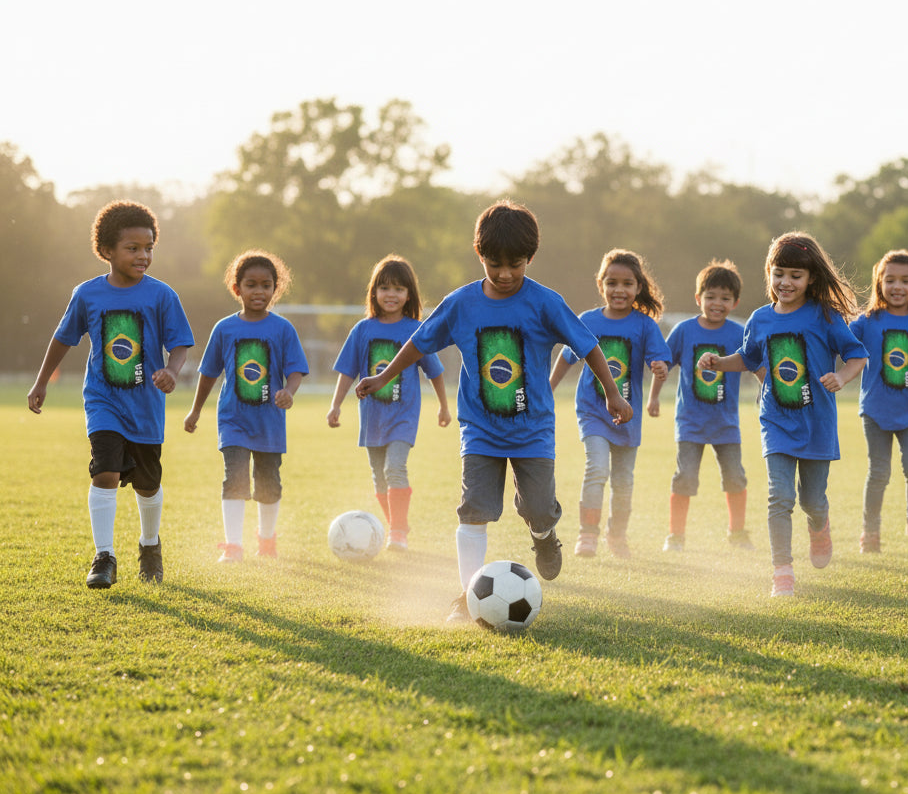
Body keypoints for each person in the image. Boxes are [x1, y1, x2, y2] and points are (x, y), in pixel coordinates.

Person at [355, 200, 632, 623]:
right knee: (474, 509)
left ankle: (544, 535)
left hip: (532, 429)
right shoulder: (461, 303)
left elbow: (588, 344)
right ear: (479, 254)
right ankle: (467, 598)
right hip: (480, 429)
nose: (504, 273)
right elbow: (419, 341)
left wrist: (613, 394)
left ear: (530, 258)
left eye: (515, 264)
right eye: (494, 263)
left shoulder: (545, 303)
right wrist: (385, 376)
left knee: (538, 508)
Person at [27, 200, 194, 588]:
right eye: (132, 248)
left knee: (147, 484)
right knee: (104, 471)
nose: (143, 255)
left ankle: (149, 545)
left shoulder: (162, 295)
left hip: (146, 407)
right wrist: (40, 382)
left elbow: (181, 344)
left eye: (149, 247)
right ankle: (104, 557)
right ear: (106, 251)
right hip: (103, 400)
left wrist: (172, 370)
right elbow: (62, 339)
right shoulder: (87, 294)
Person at [699, 232, 867, 597]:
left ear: (810, 279)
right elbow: (748, 358)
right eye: (779, 274)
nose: (785, 282)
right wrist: (717, 362)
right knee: (780, 497)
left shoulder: (824, 315)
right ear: (769, 274)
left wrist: (840, 376)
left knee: (811, 501)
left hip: (817, 423)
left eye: (795, 275)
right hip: (775, 419)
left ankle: (819, 526)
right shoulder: (760, 319)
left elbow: (857, 355)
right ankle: (782, 572)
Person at [184, 250, 309, 563]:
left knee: (269, 483)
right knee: (235, 477)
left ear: (274, 289)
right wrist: (196, 410)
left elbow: (295, 369)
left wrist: (289, 392)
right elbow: (209, 372)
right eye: (251, 284)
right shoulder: (224, 329)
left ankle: (266, 539)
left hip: (269, 422)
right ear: (237, 288)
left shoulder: (283, 329)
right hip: (233, 419)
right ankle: (233, 546)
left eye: (266, 285)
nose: (259, 291)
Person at [550, 248, 670, 559]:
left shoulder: (644, 325)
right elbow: (566, 358)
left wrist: (659, 368)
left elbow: (660, 359)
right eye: (612, 282)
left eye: (627, 283)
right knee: (597, 468)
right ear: (600, 284)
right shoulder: (587, 321)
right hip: (592, 410)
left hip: (627, 416)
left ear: (638, 287)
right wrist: (547, 391)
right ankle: (587, 535)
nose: (619, 290)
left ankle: (616, 536)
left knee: (624, 482)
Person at [327, 255, 452, 551]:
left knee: (394, 469)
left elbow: (434, 371)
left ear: (409, 294)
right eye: (384, 288)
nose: (391, 294)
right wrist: (336, 405)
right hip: (372, 417)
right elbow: (347, 371)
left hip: (403, 416)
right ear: (374, 292)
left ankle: (397, 532)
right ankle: (395, 525)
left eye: (398, 288)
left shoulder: (416, 330)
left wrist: (443, 406)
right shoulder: (362, 330)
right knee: (378, 476)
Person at [646, 259, 762, 553]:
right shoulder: (684, 330)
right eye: (710, 297)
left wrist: (766, 389)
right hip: (690, 422)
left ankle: (737, 533)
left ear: (735, 302)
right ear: (698, 298)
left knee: (735, 477)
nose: (717, 303)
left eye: (724, 298)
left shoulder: (739, 333)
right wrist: (654, 396)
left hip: (726, 424)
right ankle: (675, 536)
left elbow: (754, 364)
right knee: (685, 477)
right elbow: (664, 364)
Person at [849, 250, 908, 556]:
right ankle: (870, 532)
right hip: (875, 410)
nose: (897, 286)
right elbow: (844, 341)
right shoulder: (867, 321)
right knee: (879, 473)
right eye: (890, 280)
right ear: (879, 283)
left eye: (905, 280)